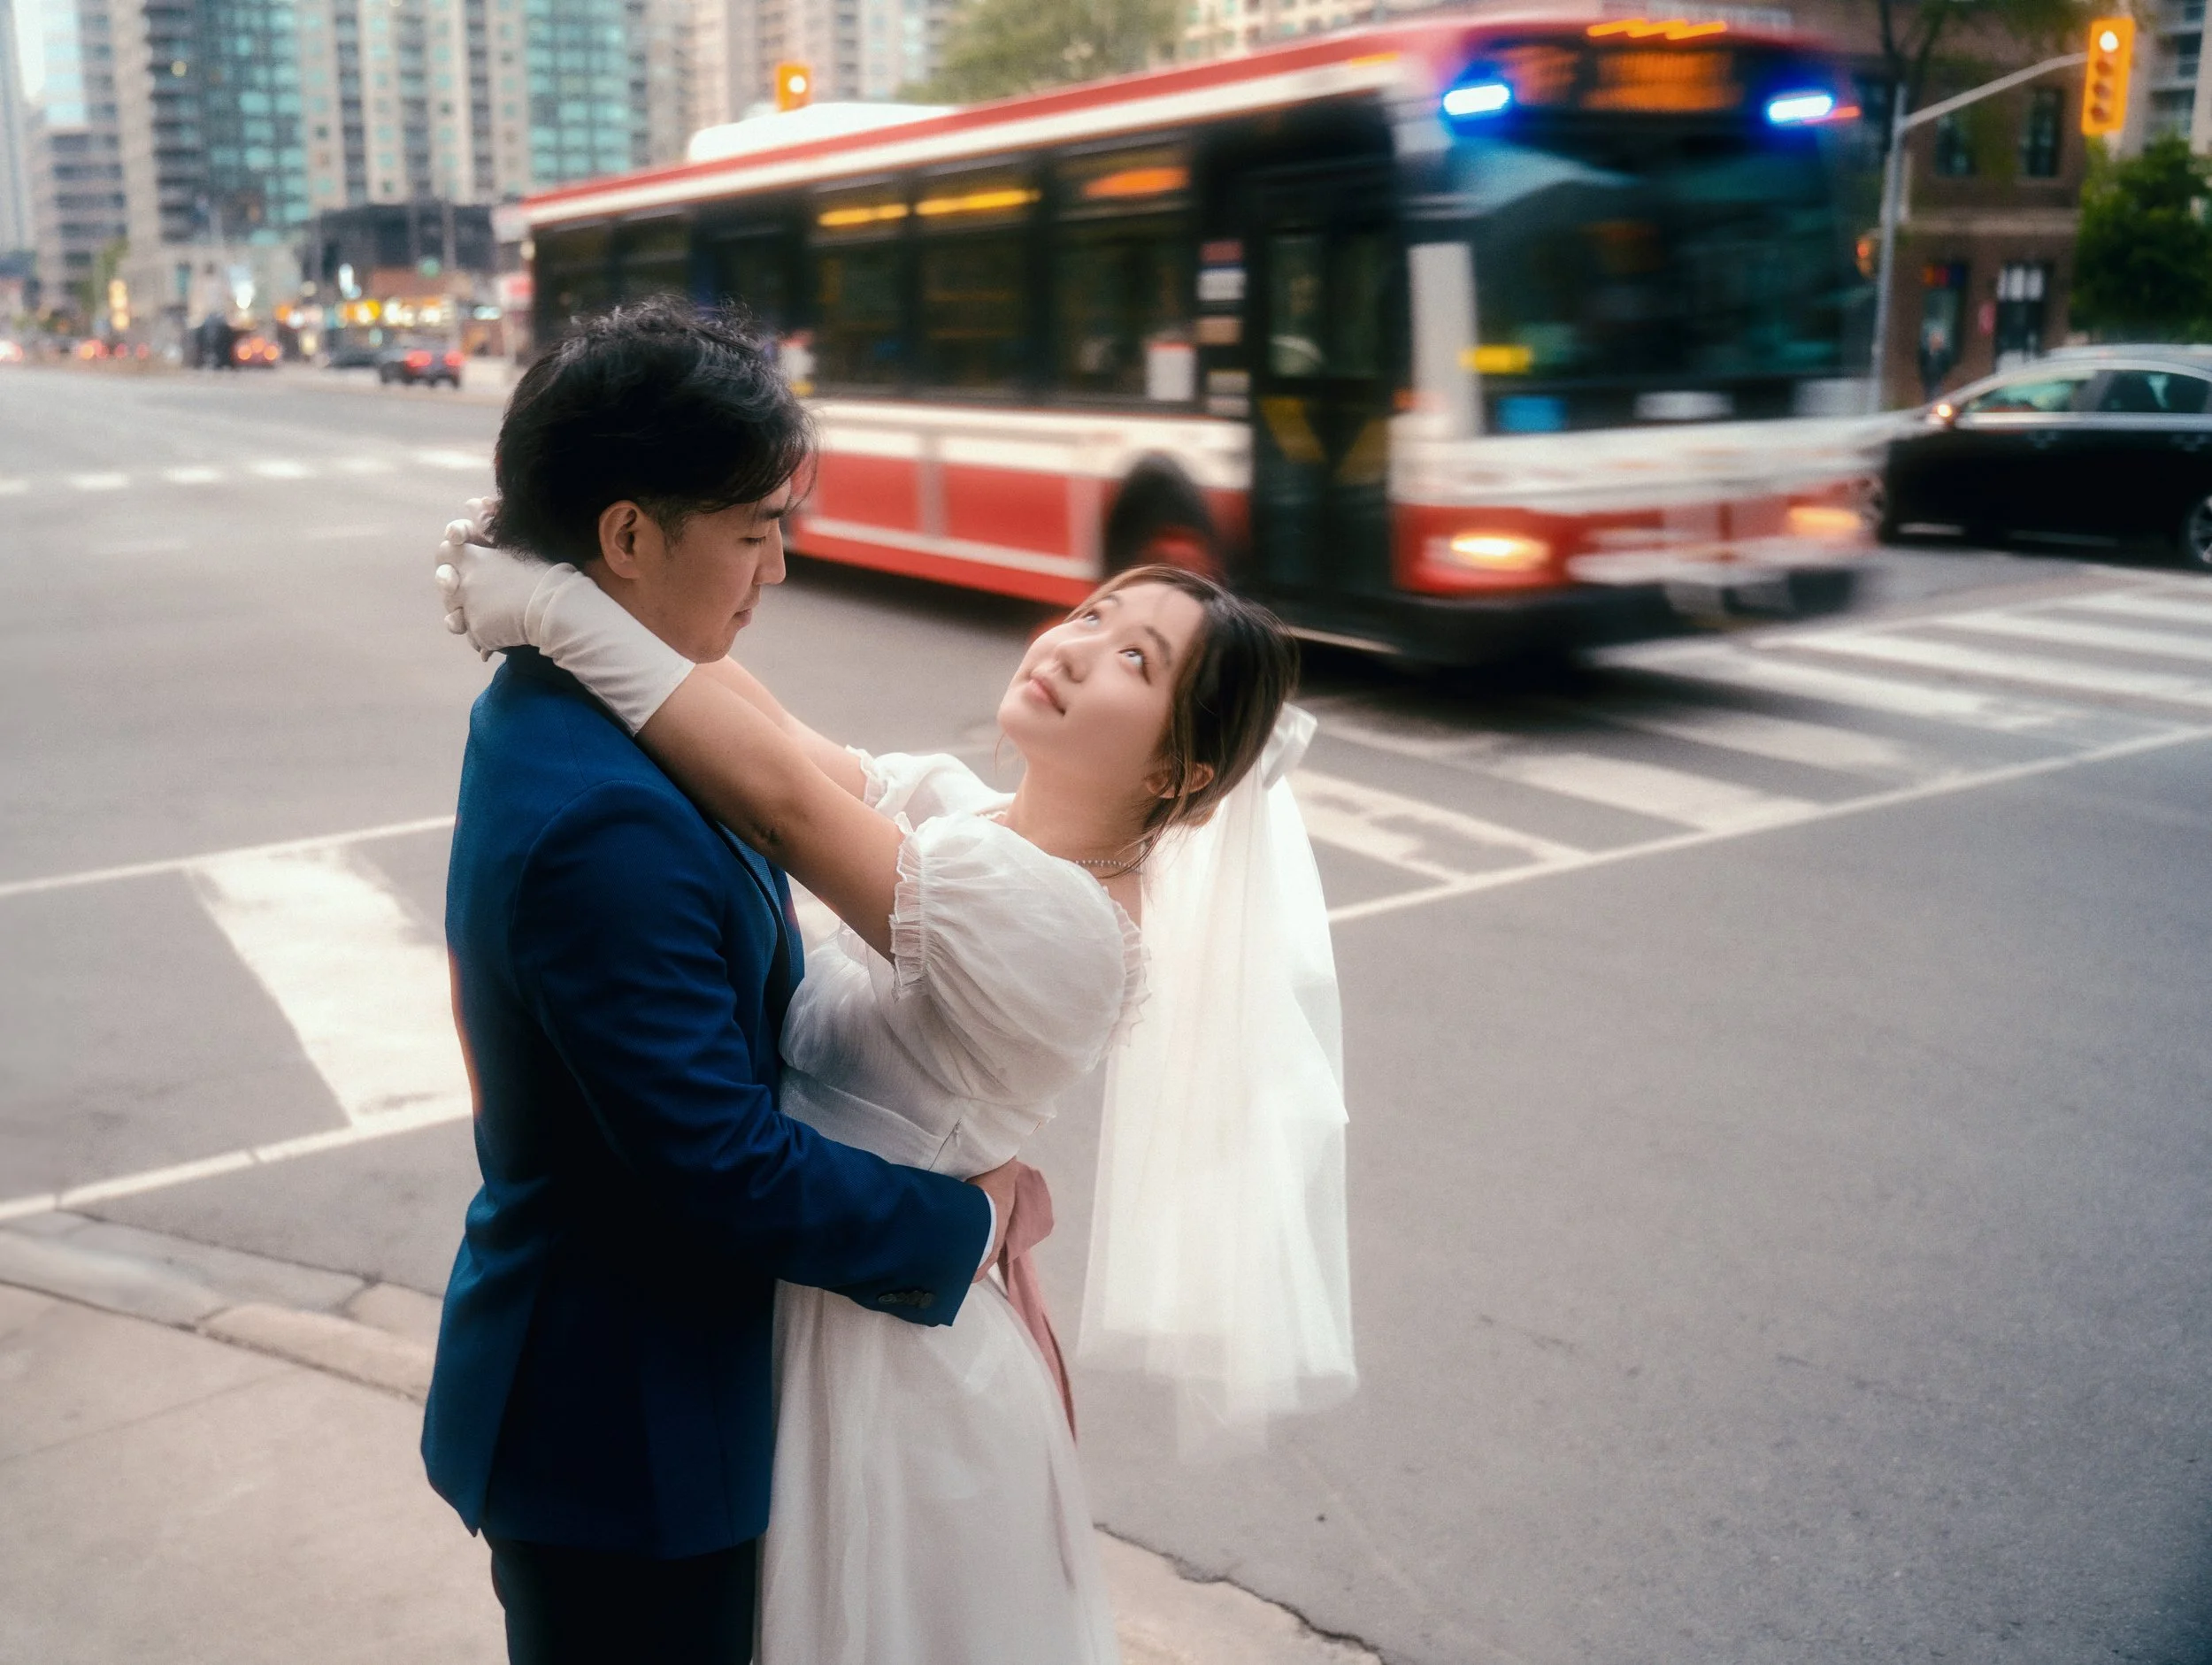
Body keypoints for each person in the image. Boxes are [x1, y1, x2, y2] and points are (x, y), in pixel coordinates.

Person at [439, 299, 1356, 1663]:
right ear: (638, 531)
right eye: (1099, 612)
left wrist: (561, 601)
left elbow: (792, 810)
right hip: (762, 1334)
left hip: (880, 1354)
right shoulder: (964, 822)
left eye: (1134, 662)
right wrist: (564, 594)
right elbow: (781, 738)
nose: (1074, 645)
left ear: (1174, 772)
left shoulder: (1054, 928)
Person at [421, 298, 1018, 1665]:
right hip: (626, 1433)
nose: (780, 569)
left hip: (634, 1393)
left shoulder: (590, 696)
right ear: (627, 538)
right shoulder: (603, 818)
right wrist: (965, 1222)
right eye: (753, 531)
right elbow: (719, 1164)